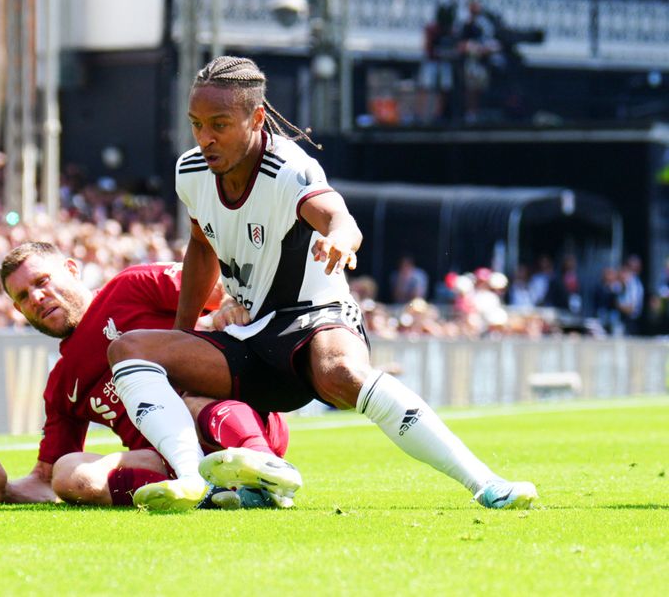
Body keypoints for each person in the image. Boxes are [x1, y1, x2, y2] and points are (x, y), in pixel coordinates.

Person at [106, 55, 538, 511]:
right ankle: (195, 480)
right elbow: (200, 245)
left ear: (255, 118)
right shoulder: (191, 171)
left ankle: (487, 484)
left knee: (343, 375)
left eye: (219, 124)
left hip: (312, 320)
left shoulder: (288, 168)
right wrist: (183, 332)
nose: (205, 138)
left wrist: (340, 239)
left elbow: (338, 217)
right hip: (248, 332)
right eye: (196, 124)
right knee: (129, 349)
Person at [0, 241, 294, 509]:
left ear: (71, 269)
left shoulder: (131, 286)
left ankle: (264, 465)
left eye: (41, 282)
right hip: (165, 459)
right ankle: (208, 494)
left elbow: (214, 289)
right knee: (68, 474)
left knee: (182, 395)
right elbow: (45, 480)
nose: (36, 297)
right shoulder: (62, 383)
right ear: (20, 311)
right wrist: (6, 490)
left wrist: (229, 302)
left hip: (235, 420)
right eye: (23, 297)